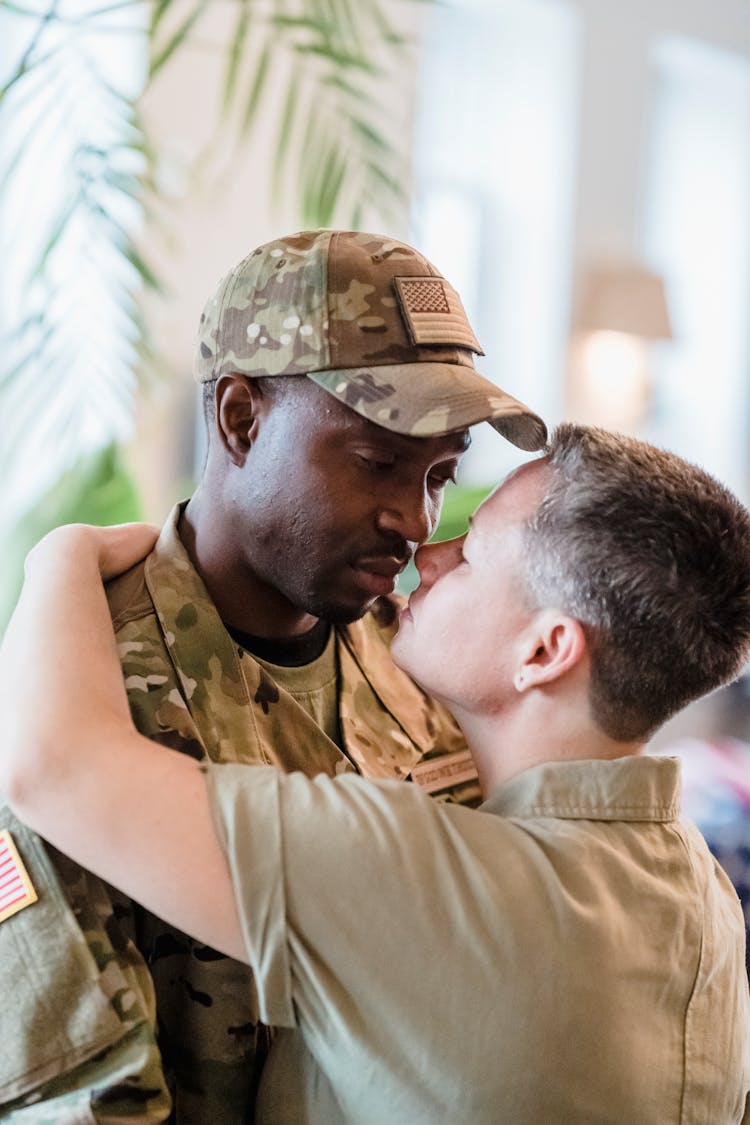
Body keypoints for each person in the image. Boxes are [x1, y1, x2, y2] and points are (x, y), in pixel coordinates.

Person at [3, 423, 750, 1124]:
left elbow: (53, 768)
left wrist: (61, 556)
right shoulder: (707, 903)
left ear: (544, 651)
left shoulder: (432, 883)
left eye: (475, 551)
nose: (429, 550)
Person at [0, 228, 547, 1122]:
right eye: (377, 461)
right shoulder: (75, 707)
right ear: (241, 419)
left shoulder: (423, 661)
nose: (414, 519)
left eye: (441, 474)